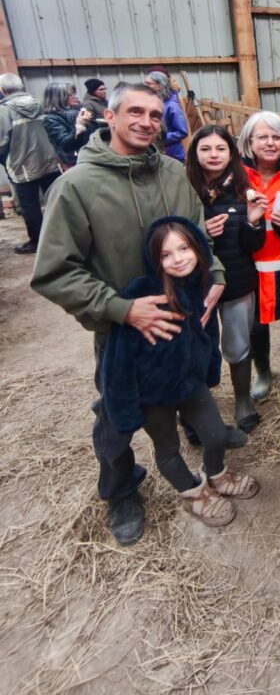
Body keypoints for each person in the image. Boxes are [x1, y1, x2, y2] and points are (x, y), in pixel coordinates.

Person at [31, 83, 226, 546]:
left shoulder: (174, 174)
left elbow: (198, 236)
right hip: (122, 330)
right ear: (110, 117)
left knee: (192, 387)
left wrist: (215, 274)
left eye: (155, 115)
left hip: (182, 321)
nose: (147, 122)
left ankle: (194, 438)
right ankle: (120, 488)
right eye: (135, 112)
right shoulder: (76, 186)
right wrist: (120, 308)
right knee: (115, 419)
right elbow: (55, 271)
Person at [100, 217, 259, 528]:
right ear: (153, 258)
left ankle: (215, 473)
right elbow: (118, 360)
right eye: (166, 254)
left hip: (190, 384)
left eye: (184, 248)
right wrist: (125, 409)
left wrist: (209, 370)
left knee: (215, 434)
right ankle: (193, 493)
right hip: (153, 396)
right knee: (168, 449)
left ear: (198, 248)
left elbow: (206, 332)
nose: (178, 259)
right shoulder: (139, 295)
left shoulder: (199, 285)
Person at [186, 125, 267, 432]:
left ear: (231, 153)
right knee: (196, 343)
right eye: (205, 149)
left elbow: (253, 246)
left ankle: (243, 400)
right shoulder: (185, 190)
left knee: (238, 341)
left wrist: (254, 222)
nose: (214, 155)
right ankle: (195, 405)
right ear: (194, 153)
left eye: (221, 148)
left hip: (237, 279)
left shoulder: (244, 189)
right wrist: (200, 233)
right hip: (196, 283)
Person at [237, 110, 280, 398]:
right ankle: (263, 372)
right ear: (249, 142)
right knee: (256, 325)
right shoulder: (237, 177)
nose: (270, 143)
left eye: (277, 137)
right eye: (262, 137)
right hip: (251, 265)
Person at [0, 73, 60, 254]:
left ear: (3, 90)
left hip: (23, 167)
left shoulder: (4, 111)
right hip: (50, 162)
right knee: (55, 201)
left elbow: (2, 142)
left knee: (30, 205)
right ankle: (61, 236)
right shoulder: (39, 103)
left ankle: (37, 241)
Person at [42, 81, 95, 170]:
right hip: (76, 163)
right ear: (59, 98)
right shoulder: (51, 119)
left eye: (75, 93)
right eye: (71, 94)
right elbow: (65, 145)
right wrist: (79, 126)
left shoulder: (79, 110)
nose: (76, 96)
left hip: (92, 156)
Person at [145, 70, 188, 162]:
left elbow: (182, 132)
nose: (145, 86)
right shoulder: (154, 104)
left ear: (159, 86)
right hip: (157, 155)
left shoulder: (172, 106)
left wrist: (160, 139)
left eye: (149, 84)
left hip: (173, 156)